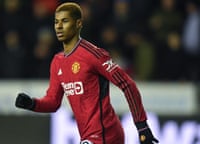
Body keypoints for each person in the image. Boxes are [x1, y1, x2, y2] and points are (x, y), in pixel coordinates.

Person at [15, 2, 159, 144]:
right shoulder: (57, 61)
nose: (59, 26)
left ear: (78, 24)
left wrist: (142, 125)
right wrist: (32, 104)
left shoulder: (93, 55)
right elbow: (53, 102)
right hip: (88, 137)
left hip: (106, 134)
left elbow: (127, 84)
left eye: (65, 21)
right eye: (56, 21)